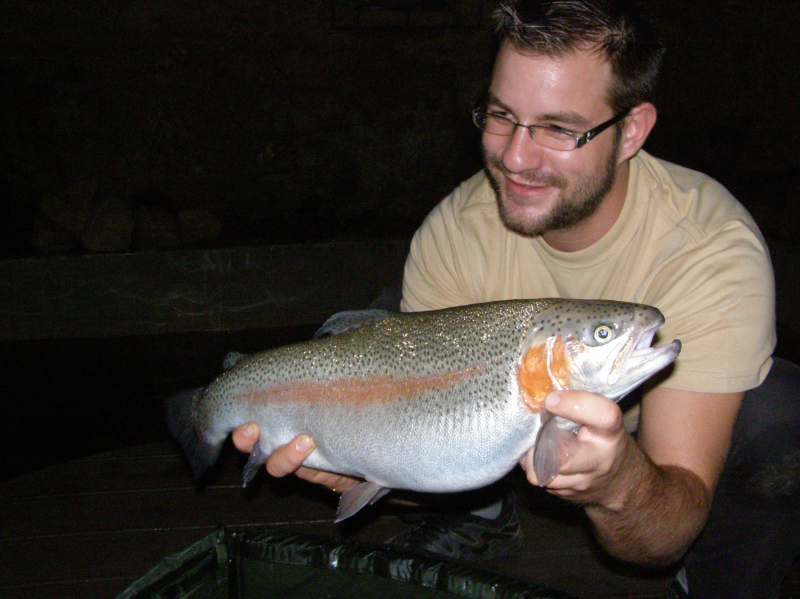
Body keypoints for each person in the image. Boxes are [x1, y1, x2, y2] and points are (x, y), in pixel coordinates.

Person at [232, 1, 799, 597]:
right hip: (493, 421)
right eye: (502, 116)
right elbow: (419, 446)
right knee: (388, 318)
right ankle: (481, 516)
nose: (515, 158)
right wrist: (355, 465)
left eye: (558, 129)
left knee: (782, 415)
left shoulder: (709, 247)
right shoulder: (455, 231)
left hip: (662, 440)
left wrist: (616, 484)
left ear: (631, 130)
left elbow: (661, 540)